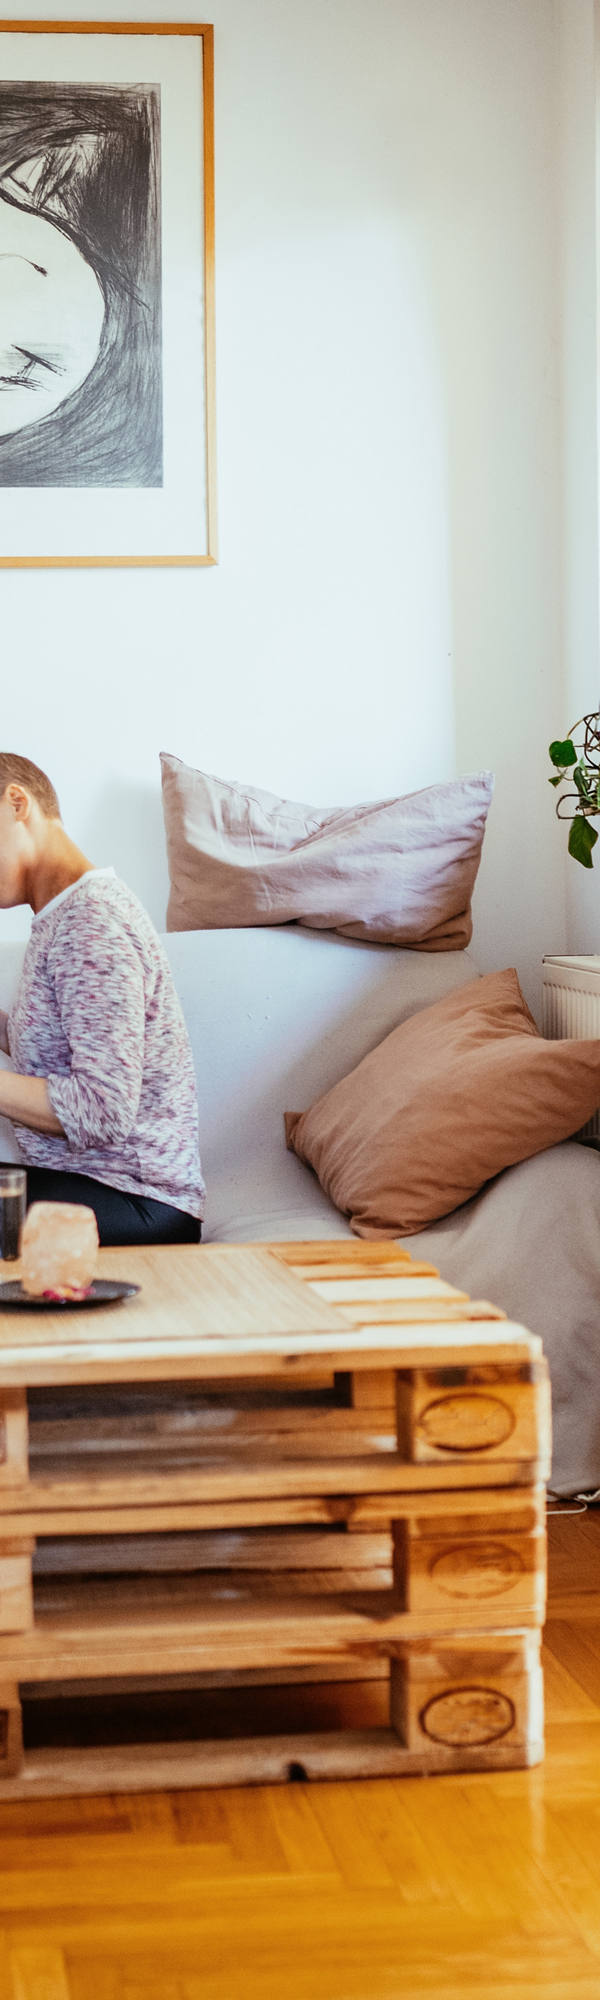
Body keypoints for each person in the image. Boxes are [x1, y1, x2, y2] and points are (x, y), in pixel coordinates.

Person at [0, 753, 204, 1246]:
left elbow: (103, 1108)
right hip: (96, 1188)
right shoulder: (62, 915)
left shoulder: (91, 922)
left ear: (15, 802)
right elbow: (57, 1048)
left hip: (138, 1199)